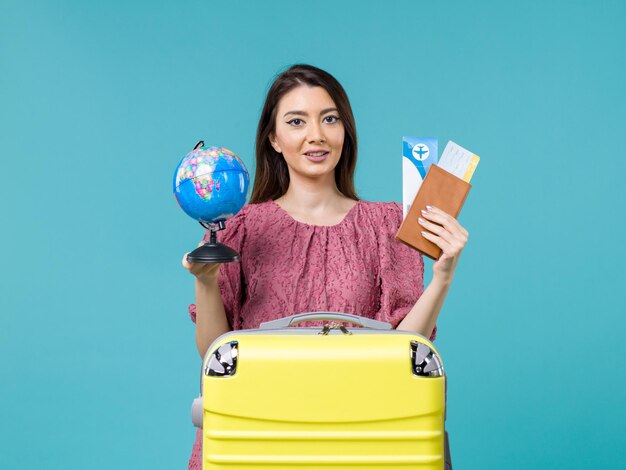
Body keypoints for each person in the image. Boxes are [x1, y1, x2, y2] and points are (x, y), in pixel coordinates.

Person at [182, 64, 469, 469]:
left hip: (357, 439)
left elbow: (405, 350)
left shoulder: (387, 225)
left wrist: (442, 277)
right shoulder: (240, 227)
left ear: (344, 132)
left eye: (329, 119)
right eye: (296, 121)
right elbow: (216, 354)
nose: (316, 135)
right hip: (257, 439)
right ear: (274, 139)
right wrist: (207, 284)